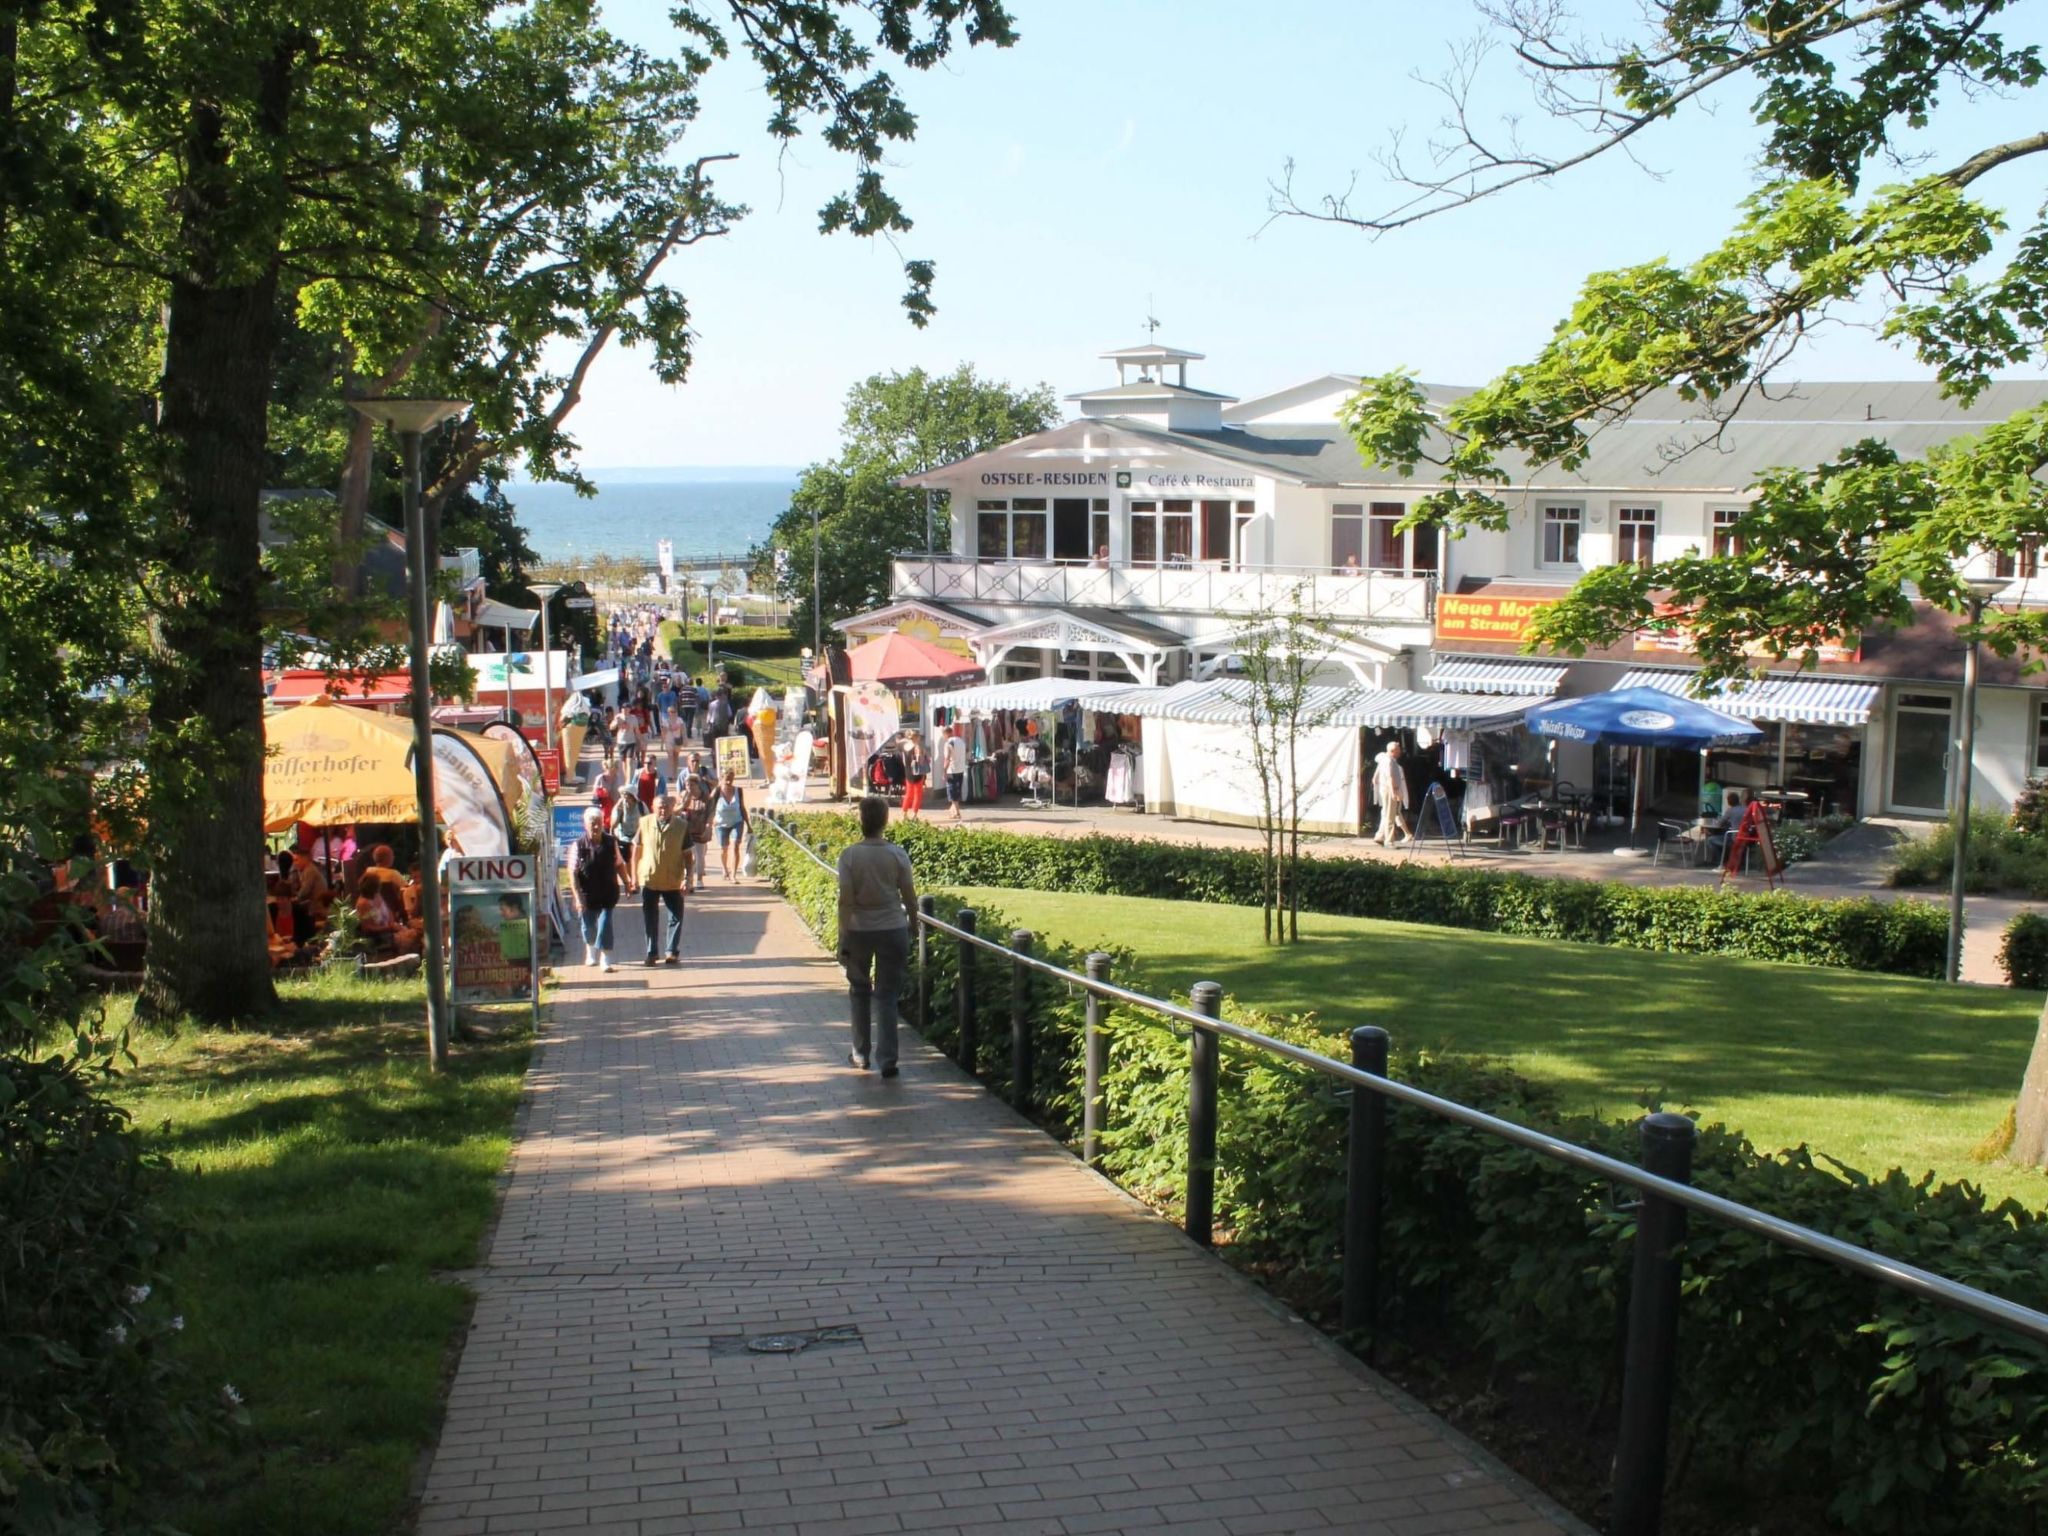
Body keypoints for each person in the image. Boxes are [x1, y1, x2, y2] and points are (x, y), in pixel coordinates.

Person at [835, 795, 918, 1078]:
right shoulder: (897, 854)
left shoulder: (849, 856)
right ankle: (888, 1059)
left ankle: (860, 1054)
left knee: (859, 991)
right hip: (893, 928)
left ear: (861, 820)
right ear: (884, 821)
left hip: (858, 929)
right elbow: (909, 896)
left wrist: (843, 935)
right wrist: (913, 925)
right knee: (887, 995)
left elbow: (845, 899)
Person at [570, 804, 631, 971]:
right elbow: (572, 873)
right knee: (588, 927)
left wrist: (627, 883)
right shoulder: (578, 845)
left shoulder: (611, 842)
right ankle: (590, 951)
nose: (596, 826)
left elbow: (619, 864)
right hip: (587, 894)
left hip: (607, 892)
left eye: (598, 822)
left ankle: (605, 958)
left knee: (605, 924)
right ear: (585, 825)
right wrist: (577, 898)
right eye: (592, 823)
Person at [635, 793, 691, 965]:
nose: (663, 810)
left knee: (676, 916)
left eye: (666, 807)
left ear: (672, 808)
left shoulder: (681, 826)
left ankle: (671, 951)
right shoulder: (644, 823)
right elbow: (636, 851)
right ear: (653, 808)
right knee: (650, 918)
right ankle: (652, 953)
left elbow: (688, 855)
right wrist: (633, 877)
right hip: (649, 878)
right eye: (659, 807)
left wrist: (688, 878)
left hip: (673, 879)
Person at [713, 769, 750, 882]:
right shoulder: (717, 791)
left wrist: (748, 825)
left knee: (735, 847)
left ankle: (733, 875)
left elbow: (742, 807)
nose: (729, 781)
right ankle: (725, 869)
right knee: (723, 849)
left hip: (737, 822)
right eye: (726, 778)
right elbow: (709, 806)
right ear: (721, 778)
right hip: (721, 823)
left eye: (731, 778)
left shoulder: (738, 791)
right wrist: (710, 820)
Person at [1372, 740, 1411, 847]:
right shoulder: (1390, 762)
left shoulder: (1384, 760)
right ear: (1392, 751)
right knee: (1390, 815)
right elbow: (1390, 777)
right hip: (1390, 789)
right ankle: (1389, 841)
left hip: (1386, 789)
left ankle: (1380, 836)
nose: (1400, 752)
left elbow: (1376, 777)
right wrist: (1393, 791)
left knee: (1386, 813)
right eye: (1398, 750)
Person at [681, 775, 714, 891]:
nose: (689, 787)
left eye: (692, 785)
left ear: (697, 785)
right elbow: (678, 810)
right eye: (687, 785)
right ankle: (688, 880)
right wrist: (685, 801)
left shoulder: (707, 798)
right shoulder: (684, 796)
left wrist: (708, 826)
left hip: (700, 830)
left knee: (700, 856)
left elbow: (711, 813)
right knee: (688, 856)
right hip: (687, 831)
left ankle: (699, 879)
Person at [899, 731, 929, 819]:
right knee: (918, 794)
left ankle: (904, 812)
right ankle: (914, 814)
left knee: (908, 793)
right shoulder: (917, 747)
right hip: (917, 772)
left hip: (908, 771)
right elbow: (920, 761)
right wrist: (925, 756)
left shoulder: (904, 746)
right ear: (916, 737)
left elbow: (904, 761)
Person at [941, 724, 967, 821]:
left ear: (945, 734)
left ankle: (957, 812)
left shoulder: (948, 743)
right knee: (957, 789)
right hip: (960, 768)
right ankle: (953, 810)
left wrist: (944, 770)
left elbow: (947, 758)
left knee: (952, 791)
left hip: (952, 770)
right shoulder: (961, 741)